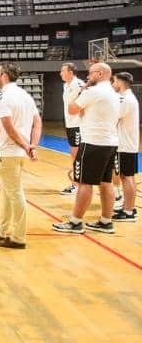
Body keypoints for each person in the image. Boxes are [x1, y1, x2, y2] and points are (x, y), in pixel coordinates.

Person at [53, 62, 120, 235]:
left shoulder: (93, 91)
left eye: (90, 74)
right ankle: (106, 221)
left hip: (92, 142)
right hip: (110, 142)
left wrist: (84, 91)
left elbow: (72, 109)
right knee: (106, 183)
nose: (88, 77)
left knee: (84, 182)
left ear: (100, 74)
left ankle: (75, 222)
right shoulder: (112, 92)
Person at [0, 63, 42, 249]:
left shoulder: (3, 96)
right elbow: (37, 122)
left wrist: (25, 145)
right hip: (19, 152)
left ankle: (19, 237)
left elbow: (8, 126)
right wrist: (32, 145)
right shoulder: (26, 95)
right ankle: (2, 229)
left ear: (4, 75)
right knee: (8, 192)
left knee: (15, 193)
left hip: (9, 151)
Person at [112, 72, 138, 222]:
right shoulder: (129, 98)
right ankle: (129, 207)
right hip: (128, 143)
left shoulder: (125, 99)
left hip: (124, 145)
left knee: (126, 177)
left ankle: (128, 211)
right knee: (127, 177)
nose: (113, 85)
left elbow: (113, 117)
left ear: (120, 83)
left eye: (114, 82)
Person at [59, 62, 85, 195]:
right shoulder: (66, 85)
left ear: (70, 72)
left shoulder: (79, 85)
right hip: (70, 124)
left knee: (76, 155)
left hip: (78, 125)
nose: (60, 73)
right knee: (73, 154)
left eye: (63, 71)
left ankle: (76, 184)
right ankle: (78, 182)